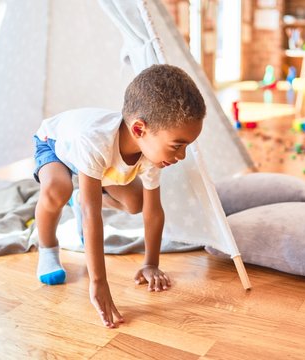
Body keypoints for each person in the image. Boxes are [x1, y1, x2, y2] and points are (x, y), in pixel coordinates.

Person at [32, 64, 206, 328]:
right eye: (177, 145)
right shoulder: (94, 141)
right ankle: (47, 248)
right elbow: (93, 216)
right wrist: (98, 282)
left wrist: (151, 264)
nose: (181, 156)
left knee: (135, 202)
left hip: (96, 165)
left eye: (186, 146)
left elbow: (153, 210)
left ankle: (78, 196)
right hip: (55, 145)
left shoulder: (151, 154)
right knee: (59, 188)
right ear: (139, 130)